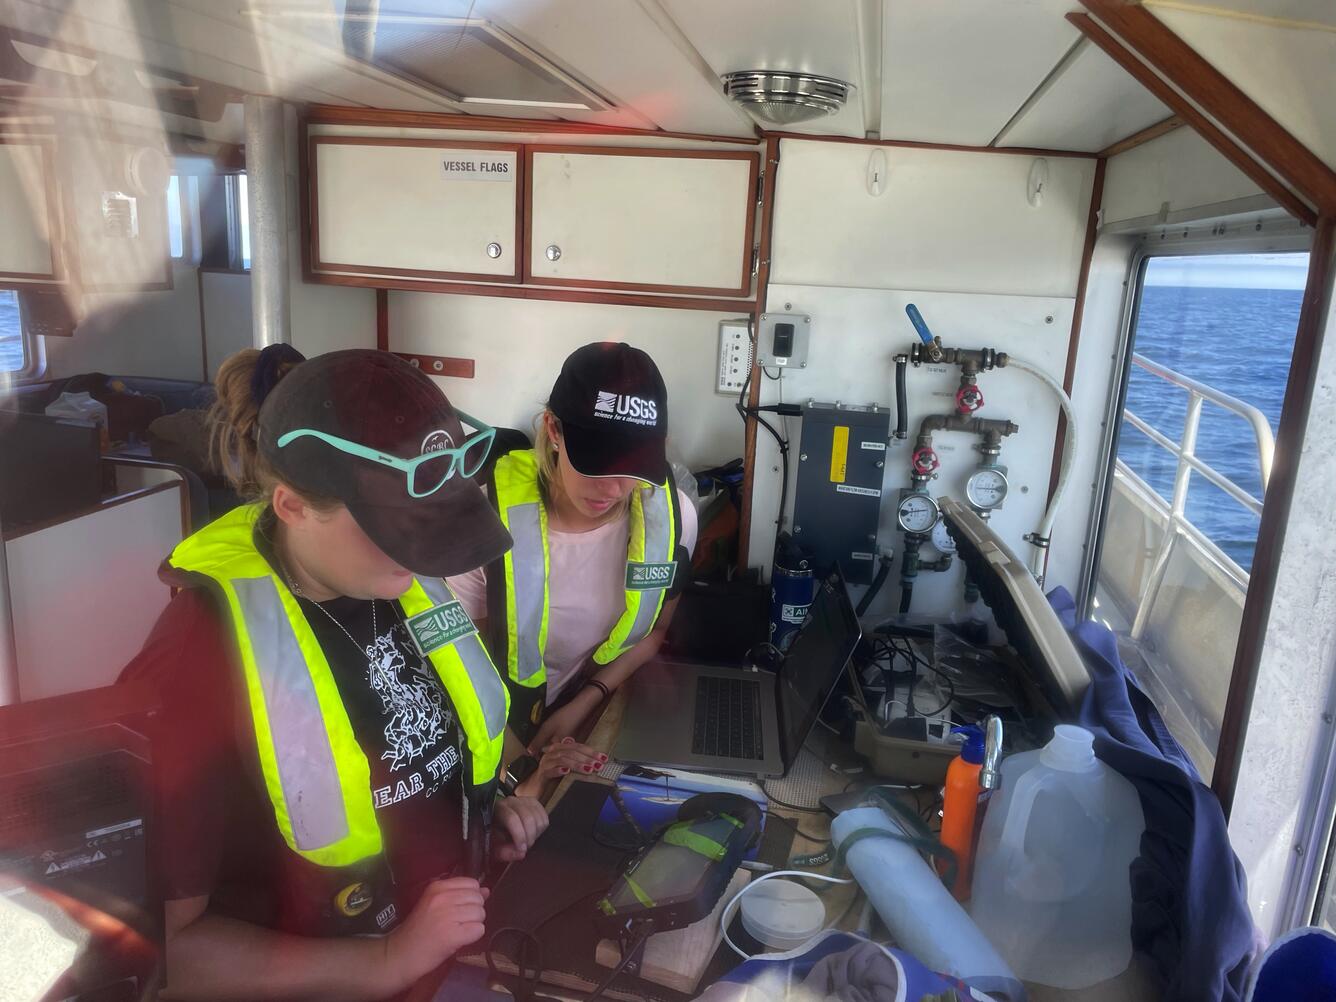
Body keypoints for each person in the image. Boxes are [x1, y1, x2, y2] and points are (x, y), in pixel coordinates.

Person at [121, 346, 547, 1001]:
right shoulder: (197, 654)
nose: (421, 549)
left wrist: (488, 820)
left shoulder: (404, 580)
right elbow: (176, 962)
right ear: (291, 506)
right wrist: (385, 961)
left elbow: (413, 774)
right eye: (394, 528)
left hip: (461, 959)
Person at [448, 343, 698, 793]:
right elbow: (460, 671)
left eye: (634, 466)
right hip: (483, 724)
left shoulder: (672, 515)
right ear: (554, 430)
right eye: (597, 463)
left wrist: (579, 708)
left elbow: (656, 631)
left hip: (580, 706)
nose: (615, 487)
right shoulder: (481, 523)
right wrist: (519, 771)